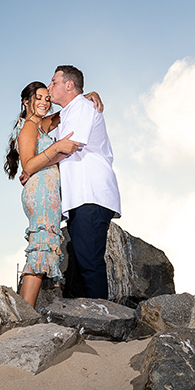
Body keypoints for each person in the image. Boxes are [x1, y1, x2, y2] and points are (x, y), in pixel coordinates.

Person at [4, 82, 102, 307]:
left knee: (44, 247)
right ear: (26, 101)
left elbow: (66, 110)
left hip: (47, 193)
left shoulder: (41, 125)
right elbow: (27, 166)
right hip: (40, 193)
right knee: (40, 248)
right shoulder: (29, 126)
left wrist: (86, 96)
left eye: (47, 99)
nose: (44, 102)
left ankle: (26, 311)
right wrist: (57, 147)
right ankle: (25, 313)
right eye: (38, 98)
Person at [47, 65, 121, 300]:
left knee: (90, 264)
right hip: (80, 197)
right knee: (82, 264)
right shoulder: (70, 111)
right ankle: (89, 318)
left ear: (69, 85)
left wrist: (33, 167)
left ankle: (103, 320)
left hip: (91, 194)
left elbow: (67, 148)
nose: (49, 88)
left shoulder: (81, 107)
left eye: (53, 82)